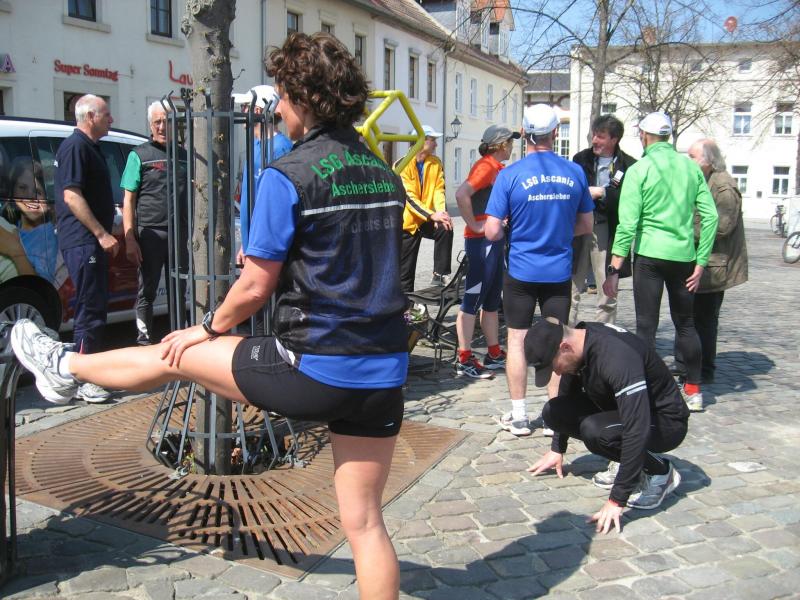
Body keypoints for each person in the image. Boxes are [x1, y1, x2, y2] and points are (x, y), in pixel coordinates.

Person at [12, 32, 407, 600]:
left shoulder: (289, 173)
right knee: (366, 524)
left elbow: (254, 286)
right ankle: (66, 367)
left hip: (315, 364)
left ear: (303, 97)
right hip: (384, 371)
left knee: (176, 353)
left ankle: (62, 367)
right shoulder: (382, 172)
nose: (279, 109)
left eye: (282, 97)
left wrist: (205, 327)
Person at [485, 104, 594, 436]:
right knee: (557, 340)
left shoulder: (510, 175)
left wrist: (512, 228)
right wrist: (559, 231)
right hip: (558, 271)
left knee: (517, 340)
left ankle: (520, 416)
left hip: (520, 271)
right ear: (555, 133)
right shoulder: (575, 172)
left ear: (524, 133)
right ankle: (553, 417)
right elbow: (586, 224)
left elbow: (491, 231)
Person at [526, 318, 689, 533]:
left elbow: (636, 427)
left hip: (664, 421)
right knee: (554, 411)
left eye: (553, 365)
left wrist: (617, 499)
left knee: (596, 432)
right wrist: (557, 448)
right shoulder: (580, 341)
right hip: (621, 408)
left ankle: (660, 471)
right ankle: (626, 461)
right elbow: (566, 393)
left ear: (564, 347)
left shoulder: (615, 356)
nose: (555, 372)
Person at [603, 112, 718, 413]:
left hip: (650, 256)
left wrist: (614, 269)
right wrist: (701, 262)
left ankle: (649, 390)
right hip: (683, 257)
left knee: (646, 326)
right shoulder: (690, 167)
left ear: (643, 135)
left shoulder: (639, 170)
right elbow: (711, 217)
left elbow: (627, 225)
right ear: (668, 136)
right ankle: (694, 390)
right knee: (686, 324)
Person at [54, 94, 118, 403]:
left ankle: (87, 374)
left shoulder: (89, 147)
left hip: (88, 241)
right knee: (89, 309)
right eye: (106, 115)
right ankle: (83, 379)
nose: (111, 119)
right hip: (83, 241)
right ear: (90, 116)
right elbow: (71, 196)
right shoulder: (76, 147)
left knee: (95, 306)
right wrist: (101, 234)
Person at [673, 138, 748, 397]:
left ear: (709, 160)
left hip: (714, 265)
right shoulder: (701, 179)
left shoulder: (724, 187)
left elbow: (722, 226)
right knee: (687, 315)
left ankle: (704, 369)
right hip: (698, 260)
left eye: (693, 157)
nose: (689, 161)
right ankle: (685, 365)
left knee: (704, 319)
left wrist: (683, 230)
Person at [453, 125, 518, 379]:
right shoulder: (487, 166)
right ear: (500, 144)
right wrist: (474, 225)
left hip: (493, 242)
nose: (512, 146)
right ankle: (464, 358)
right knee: (472, 298)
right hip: (481, 243)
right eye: (510, 142)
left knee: (491, 299)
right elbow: (462, 194)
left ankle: (493, 353)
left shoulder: (496, 167)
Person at [121, 102, 188, 345]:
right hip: (150, 234)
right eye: (157, 122)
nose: (162, 126)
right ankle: (144, 341)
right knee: (146, 291)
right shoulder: (139, 155)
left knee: (178, 292)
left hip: (178, 234)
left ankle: (178, 342)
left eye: (167, 121)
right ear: (150, 126)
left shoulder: (185, 156)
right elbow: (128, 200)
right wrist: (130, 239)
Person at [570, 115, 637, 325]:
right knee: (571, 288)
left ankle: (603, 336)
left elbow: (627, 198)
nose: (595, 140)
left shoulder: (629, 165)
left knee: (607, 291)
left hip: (607, 229)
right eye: (594, 135)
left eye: (600, 136)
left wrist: (602, 192)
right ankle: (566, 335)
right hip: (579, 226)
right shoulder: (580, 159)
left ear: (614, 139)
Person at [233, 84, 293, 262]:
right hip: (254, 245)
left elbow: (279, 206)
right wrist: (245, 245)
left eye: (245, 107)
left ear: (257, 110)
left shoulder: (281, 148)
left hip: (267, 248)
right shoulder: (255, 145)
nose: (242, 112)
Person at [399, 124, 453, 292]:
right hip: (408, 223)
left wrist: (440, 213)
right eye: (433, 140)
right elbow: (409, 198)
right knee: (405, 272)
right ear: (420, 141)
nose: (436, 144)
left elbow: (439, 190)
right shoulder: (402, 164)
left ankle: (439, 274)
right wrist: (431, 215)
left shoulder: (435, 163)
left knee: (445, 226)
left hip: (427, 218)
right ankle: (406, 304)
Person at [4, 159, 58, 283]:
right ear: (12, 193)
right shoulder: (12, 227)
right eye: (22, 188)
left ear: (47, 200)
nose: (30, 196)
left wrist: (14, 249)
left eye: (38, 192)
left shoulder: (48, 234)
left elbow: (40, 285)